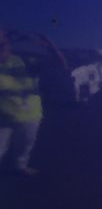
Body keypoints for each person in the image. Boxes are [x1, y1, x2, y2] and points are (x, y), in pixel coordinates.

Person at [0, 30, 43, 176]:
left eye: (2, 44)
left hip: (29, 115)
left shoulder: (25, 60)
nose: (0, 48)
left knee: (24, 146)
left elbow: (58, 63)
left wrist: (41, 42)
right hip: (3, 117)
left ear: (9, 44)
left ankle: (20, 167)